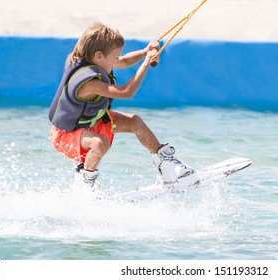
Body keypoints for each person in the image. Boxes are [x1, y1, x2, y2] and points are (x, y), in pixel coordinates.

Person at [48, 22, 194, 191]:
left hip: (91, 122)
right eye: (115, 58)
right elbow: (126, 91)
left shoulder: (96, 60)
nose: (117, 61)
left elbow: (124, 62)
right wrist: (146, 63)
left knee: (135, 122)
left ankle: (166, 165)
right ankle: (86, 183)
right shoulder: (89, 83)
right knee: (99, 143)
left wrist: (145, 51)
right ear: (99, 56)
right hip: (67, 134)